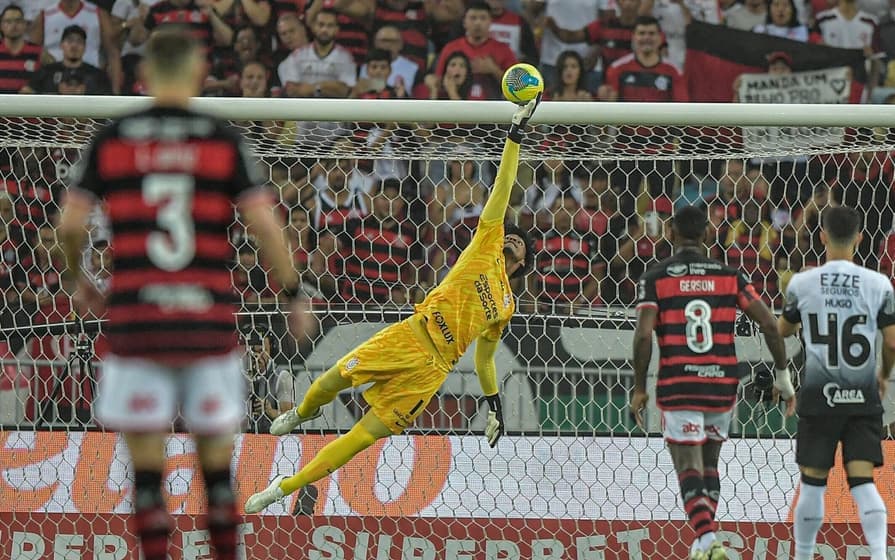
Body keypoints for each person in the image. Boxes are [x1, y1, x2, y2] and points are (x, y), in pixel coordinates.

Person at [55, 29, 309, 560]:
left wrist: (80, 279)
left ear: (144, 74)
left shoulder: (114, 137)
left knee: (147, 480)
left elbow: (71, 224)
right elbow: (265, 224)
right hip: (206, 324)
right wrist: (292, 293)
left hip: (136, 324)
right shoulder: (220, 138)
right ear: (198, 72)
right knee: (217, 479)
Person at [244, 94, 542, 514]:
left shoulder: (506, 306)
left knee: (361, 438)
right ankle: (303, 413)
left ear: (525, 262)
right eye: (512, 235)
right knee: (330, 383)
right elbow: (503, 188)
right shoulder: (485, 245)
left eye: (521, 243)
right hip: (409, 336)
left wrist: (493, 404)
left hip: (432, 371)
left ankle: (284, 487)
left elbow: (485, 359)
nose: (513, 239)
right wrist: (514, 136)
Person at [629, 205, 792, 560]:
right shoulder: (729, 276)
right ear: (706, 234)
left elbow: (642, 335)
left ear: (671, 233)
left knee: (688, 467)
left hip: (679, 385)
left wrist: (640, 387)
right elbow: (768, 323)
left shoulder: (656, 277)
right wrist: (782, 374)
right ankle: (701, 546)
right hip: (720, 385)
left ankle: (706, 540)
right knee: (710, 466)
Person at [777, 206, 895, 560]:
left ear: (822, 236)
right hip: (861, 396)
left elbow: (783, 330)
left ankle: (803, 555)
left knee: (812, 484)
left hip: (819, 396)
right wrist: (883, 375)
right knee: (863, 483)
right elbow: (891, 342)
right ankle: (879, 555)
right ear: (860, 238)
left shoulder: (803, 283)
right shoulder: (879, 284)